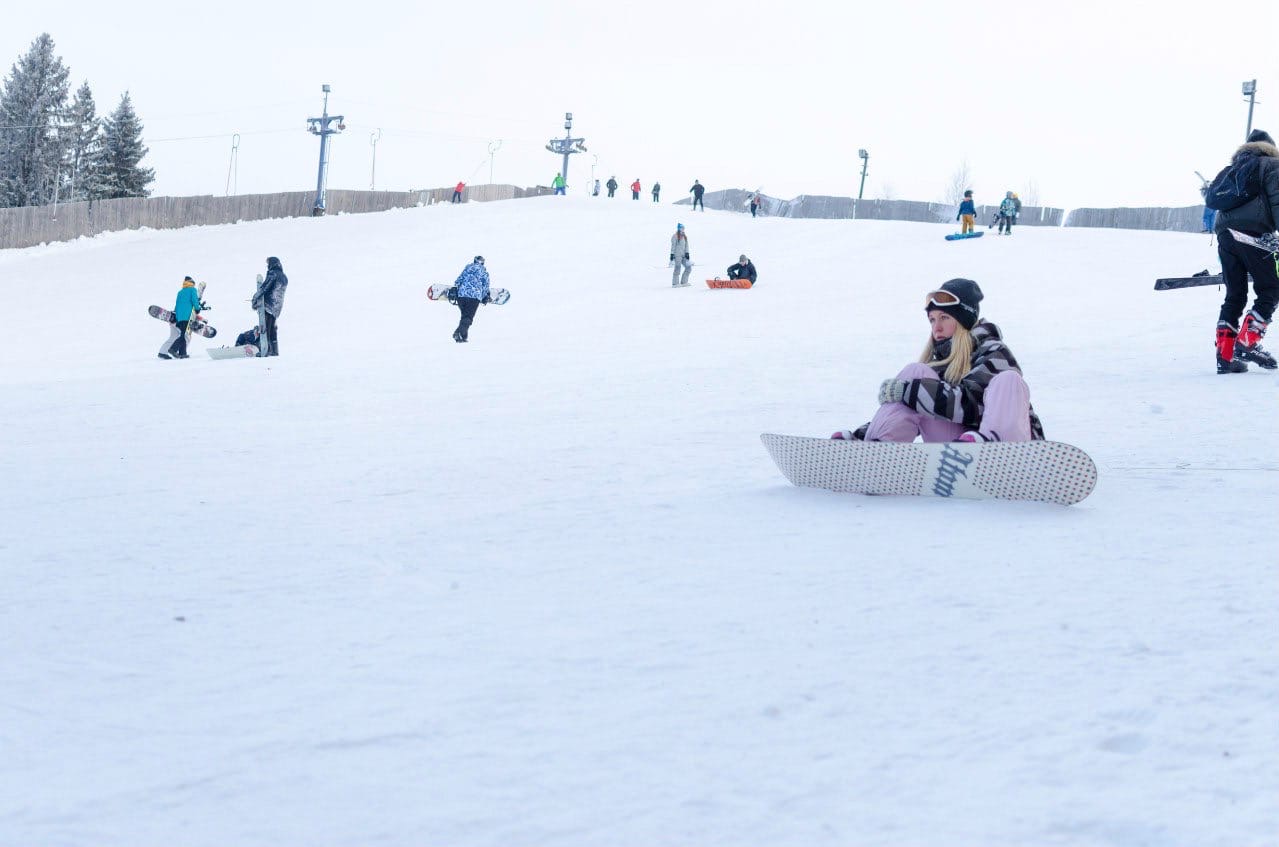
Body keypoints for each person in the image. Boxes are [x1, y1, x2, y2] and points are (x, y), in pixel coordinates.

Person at [831, 278, 1045, 443]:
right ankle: (875, 451)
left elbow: (972, 405)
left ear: (964, 322)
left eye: (944, 318)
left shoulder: (994, 351)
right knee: (916, 373)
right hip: (961, 458)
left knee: (1008, 380)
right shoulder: (938, 363)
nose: (936, 327)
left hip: (1011, 448)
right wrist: (864, 432)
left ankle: (1001, 458)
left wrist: (911, 392)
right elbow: (909, 410)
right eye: (932, 319)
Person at [1212, 128, 1279, 373]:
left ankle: (1226, 356)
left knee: (1235, 294)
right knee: (1271, 288)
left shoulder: (1233, 170)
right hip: (1252, 234)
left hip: (1225, 235)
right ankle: (1247, 342)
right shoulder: (1271, 165)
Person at [158, 276, 205, 359]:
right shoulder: (192, 290)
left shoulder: (180, 292)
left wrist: (176, 315)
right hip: (187, 316)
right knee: (184, 335)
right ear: (192, 283)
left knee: (183, 334)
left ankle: (183, 353)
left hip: (179, 317)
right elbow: (194, 300)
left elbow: (177, 305)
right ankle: (173, 349)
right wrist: (197, 309)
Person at [251, 256, 288, 356]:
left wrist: (254, 300)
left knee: (265, 329)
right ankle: (275, 351)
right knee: (272, 329)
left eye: (268, 264)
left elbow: (264, 288)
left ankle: (266, 350)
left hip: (268, 304)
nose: (268, 266)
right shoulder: (284, 277)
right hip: (277, 307)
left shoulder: (273, 273)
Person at [451, 255, 491, 342]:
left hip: (461, 295)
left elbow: (458, 280)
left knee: (465, 317)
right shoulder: (484, 272)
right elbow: (485, 287)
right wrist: (484, 297)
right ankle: (459, 335)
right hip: (474, 297)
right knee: (468, 318)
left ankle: (461, 335)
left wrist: (456, 291)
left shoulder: (467, 268)